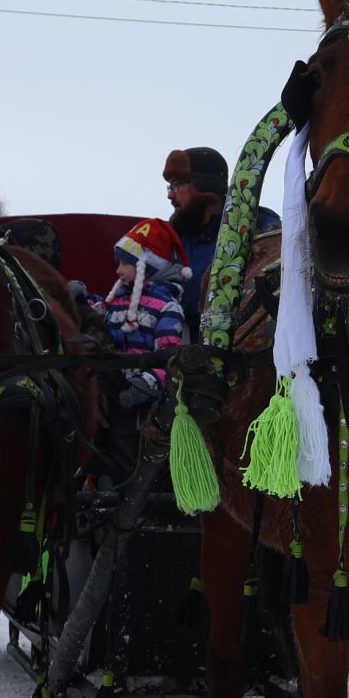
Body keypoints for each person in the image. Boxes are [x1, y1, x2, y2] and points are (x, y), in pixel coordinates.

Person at [91, 220, 188, 484]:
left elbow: (170, 359)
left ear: (146, 266)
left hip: (141, 402)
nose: (118, 269)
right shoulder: (113, 303)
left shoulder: (167, 308)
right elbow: (96, 317)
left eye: (125, 263)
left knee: (123, 441)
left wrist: (145, 384)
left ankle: (121, 490)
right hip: (110, 389)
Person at [164, 147, 228, 328]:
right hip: (173, 345)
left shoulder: (253, 227)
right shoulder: (170, 240)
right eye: (170, 186)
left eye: (177, 184)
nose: (170, 194)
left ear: (203, 186)